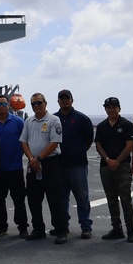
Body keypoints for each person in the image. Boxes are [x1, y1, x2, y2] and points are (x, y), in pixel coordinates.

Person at [21, 93, 67, 243]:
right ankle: (38, 229)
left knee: (55, 198)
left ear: (45, 103)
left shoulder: (54, 120)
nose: (36, 106)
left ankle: (60, 230)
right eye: (33, 104)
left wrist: (39, 159)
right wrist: (32, 159)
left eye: (39, 103)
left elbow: (55, 142)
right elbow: (23, 142)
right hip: (33, 163)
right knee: (33, 199)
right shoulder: (29, 121)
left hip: (50, 163)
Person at [95, 97, 133, 242]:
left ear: (119, 108)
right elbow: (98, 145)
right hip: (105, 166)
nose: (111, 110)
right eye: (108, 107)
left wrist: (117, 161)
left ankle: (131, 230)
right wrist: (108, 160)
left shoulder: (126, 125)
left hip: (123, 167)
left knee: (126, 199)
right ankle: (116, 228)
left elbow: (130, 145)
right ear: (105, 109)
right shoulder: (102, 126)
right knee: (111, 199)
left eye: (114, 107)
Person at [56, 89, 95, 239]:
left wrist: (78, 152)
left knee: (82, 196)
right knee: (62, 198)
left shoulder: (81, 118)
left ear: (72, 100)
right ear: (58, 101)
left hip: (77, 165)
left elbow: (88, 138)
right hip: (59, 164)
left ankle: (86, 226)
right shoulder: (54, 119)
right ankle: (63, 225)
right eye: (62, 98)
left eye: (67, 98)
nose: (65, 101)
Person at [0, 94, 29, 238]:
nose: (1, 107)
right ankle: (2, 227)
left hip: (15, 169)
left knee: (19, 200)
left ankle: (22, 226)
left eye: (3, 104)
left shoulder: (18, 122)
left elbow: (25, 141)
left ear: (8, 105)